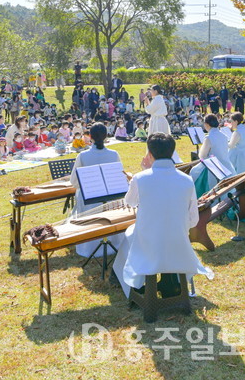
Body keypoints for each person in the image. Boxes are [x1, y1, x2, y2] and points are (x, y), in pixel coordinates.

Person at [112, 133, 214, 298]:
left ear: (150, 154)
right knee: (160, 236)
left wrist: (143, 172)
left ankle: (134, 284)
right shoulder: (186, 179)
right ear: (172, 152)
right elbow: (193, 219)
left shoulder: (140, 178)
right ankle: (169, 281)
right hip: (177, 238)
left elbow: (130, 202)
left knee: (130, 234)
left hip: (149, 240)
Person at [69, 123, 127, 258]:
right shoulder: (114, 154)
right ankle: (115, 242)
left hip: (91, 199)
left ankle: (89, 244)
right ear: (106, 136)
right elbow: (120, 177)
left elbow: (74, 182)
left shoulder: (83, 156)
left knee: (80, 196)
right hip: (111, 197)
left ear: (90, 137)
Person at [190, 114, 232, 197]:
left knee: (193, 172)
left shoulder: (209, 137)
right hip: (226, 166)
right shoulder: (224, 136)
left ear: (207, 124)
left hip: (213, 167)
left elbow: (202, 156)